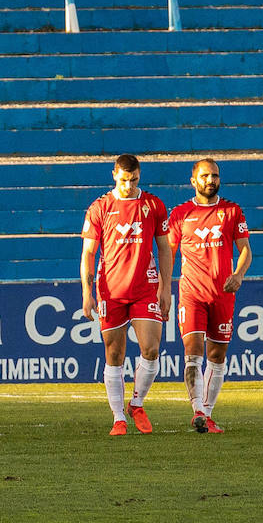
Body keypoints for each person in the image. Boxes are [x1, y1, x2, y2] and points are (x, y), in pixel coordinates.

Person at [80, 153, 172, 436]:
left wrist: (166, 287)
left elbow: (165, 249)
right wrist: (87, 290)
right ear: (113, 175)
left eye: (133, 180)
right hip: (111, 290)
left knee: (151, 348)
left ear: (139, 176)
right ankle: (118, 417)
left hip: (145, 286)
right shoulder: (100, 208)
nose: (128, 186)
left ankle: (137, 403)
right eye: (123, 180)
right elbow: (89, 253)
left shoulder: (153, 205)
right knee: (114, 353)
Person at [167, 158, 252, 434]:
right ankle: (198, 412)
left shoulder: (232, 211)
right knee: (193, 353)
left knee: (217, 356)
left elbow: (246, 251)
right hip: (191, 293)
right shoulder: (180, 214)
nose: (210, 180)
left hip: (223, 294)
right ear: (193, 181)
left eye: (214, 175)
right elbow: (167, 251)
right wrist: (161, 288)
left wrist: (238, 275)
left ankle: (208, 413)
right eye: (204, 176)